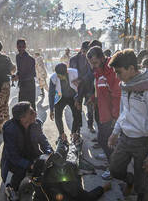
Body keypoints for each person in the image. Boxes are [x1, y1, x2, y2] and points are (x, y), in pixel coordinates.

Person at [107, 49, 148, 201]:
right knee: (115, 169)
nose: (117, 77)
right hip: (125, 137)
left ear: (132, 68)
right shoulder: (127, 85)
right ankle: (128, 180)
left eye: (119, 72)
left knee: (143, 182)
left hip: (142, 142)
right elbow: (124, 112)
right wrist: (115, 132)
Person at [0, 102, 53, 201]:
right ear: (22, 118)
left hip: (31, 153)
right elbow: (13, 156)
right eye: (31, 112)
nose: (35, 112)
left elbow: (43, 140)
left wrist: (49, 152)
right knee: (21, 169)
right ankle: (11, 188)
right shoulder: (10, 129)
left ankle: (33, 176)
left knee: (45, 163)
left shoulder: (36, 123)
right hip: (15, 159)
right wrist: (30, 165)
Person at [86, 46, 121, 180]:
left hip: (111, 115)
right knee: (104, 140)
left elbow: (117, 95)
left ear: (102, 58)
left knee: (106, 141)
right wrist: (93, 98)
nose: (93, 66)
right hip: (102, 111)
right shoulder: (98, 70)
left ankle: (113, 168)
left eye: (95, 63)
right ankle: (109, 158)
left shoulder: (111, 70)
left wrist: (115, 116)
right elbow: (100, 88)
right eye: (91, 64)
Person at [48, 63, 82, 142]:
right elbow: (51, 94)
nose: (59, 77)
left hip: (73, 96)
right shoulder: (53, 78)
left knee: (77, 114)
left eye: (61, 75)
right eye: (58, 75)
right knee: (58, 115)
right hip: (61, 97)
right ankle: (62, 134)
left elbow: (82, 87)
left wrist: (79, 100)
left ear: (66, 72)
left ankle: (74, 133)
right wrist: (51, 109)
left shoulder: (75, 73)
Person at [69, 41, 96, 133]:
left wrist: (81, 79)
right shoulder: (73, 59)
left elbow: (92, 73)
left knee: (90, 108)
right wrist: (73, 81)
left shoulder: (92, 59)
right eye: (84, 51)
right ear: (81, 49)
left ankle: (90, 125)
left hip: (89, 87)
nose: (86, 53)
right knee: (77, 109)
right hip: (77, 88)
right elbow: (70, 73)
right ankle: (77, 129)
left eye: (87, 51)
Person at [14, 39, 36, 110]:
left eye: (23, 46)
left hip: (30, 86)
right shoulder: (17, 57)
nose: (21, 48)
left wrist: (19, 77)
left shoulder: (31, 59)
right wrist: (16, 75)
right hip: (22, 85)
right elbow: (19, 70)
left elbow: (33, 74)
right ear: (17, 47)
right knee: (21, 107)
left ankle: (33, 121)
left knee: (31, 107)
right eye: (19, 46)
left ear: (25, 47)